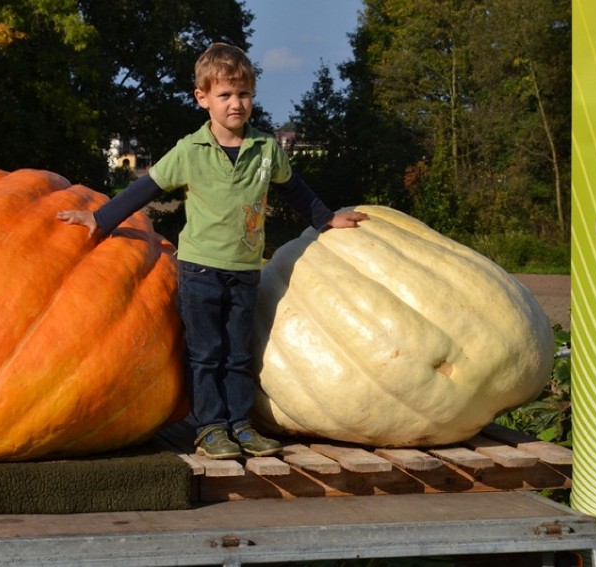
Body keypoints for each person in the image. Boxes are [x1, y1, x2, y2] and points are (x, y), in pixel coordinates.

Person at [57, 43, 369, 460]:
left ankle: (240, 424)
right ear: (202, 99)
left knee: (238, 353)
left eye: (243, 94)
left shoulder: (265, 148)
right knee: (206, 354)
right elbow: (145, 188)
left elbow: (295, 190)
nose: (235, 104)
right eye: (224, 95)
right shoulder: (190, 151)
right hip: (200, 270)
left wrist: (327, 218)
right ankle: (209, 429)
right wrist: (101, 219)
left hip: (245, 270)